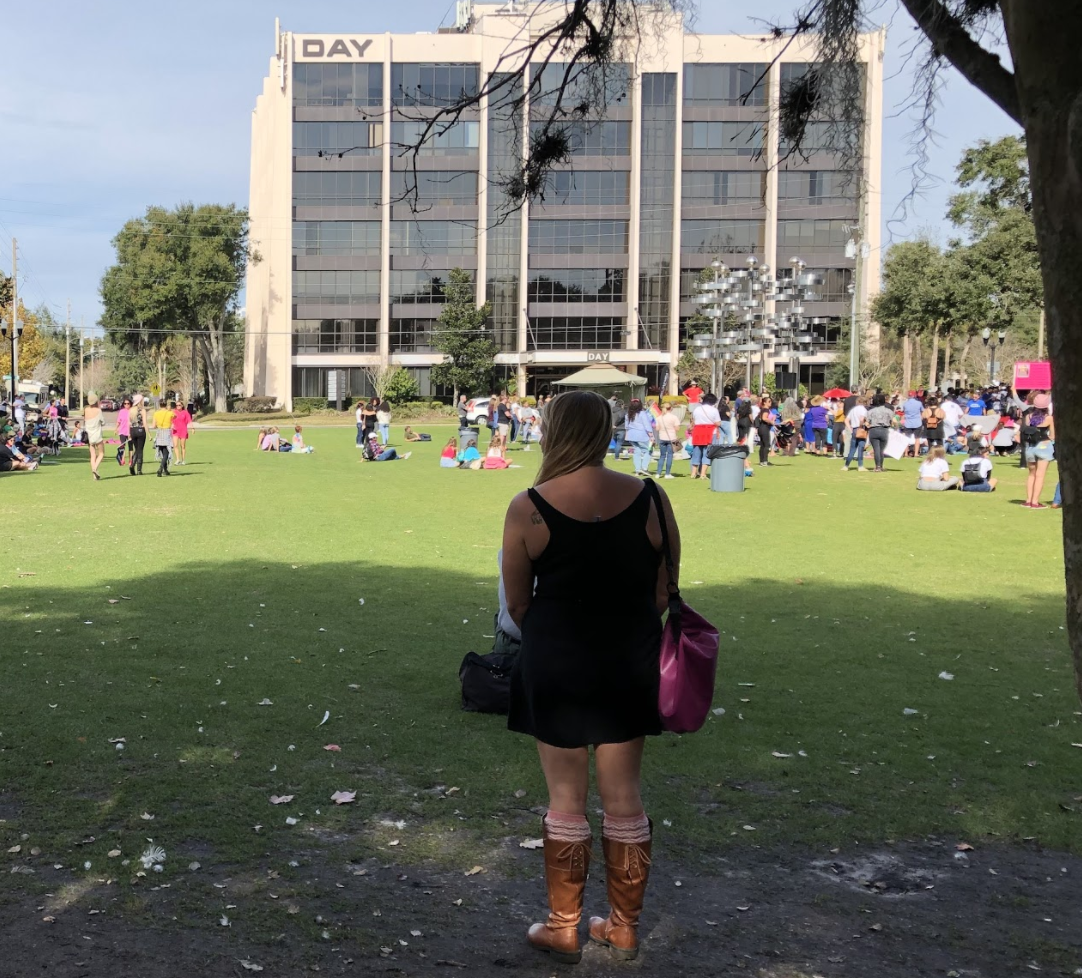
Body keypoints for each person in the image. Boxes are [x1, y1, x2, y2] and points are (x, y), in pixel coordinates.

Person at [502, 390, 680, 964]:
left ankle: (563, 927)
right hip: (629, 659)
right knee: (625, 796)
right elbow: (665, 590)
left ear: (553, 432)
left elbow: (517, 604)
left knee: (565, 798)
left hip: (556, 660)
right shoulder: (651, 497)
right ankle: (623, 927)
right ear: (605, 431)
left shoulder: (529, 505)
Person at [1021, 397, 1055, 509]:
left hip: (1030, 446)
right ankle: (1035, 502)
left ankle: (1028, 500)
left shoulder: (1028, 416)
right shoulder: (1049, 418)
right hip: (1043, 446)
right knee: (1040, 476)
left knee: (1031, 474)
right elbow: (1052, 435)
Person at [688, 394, 722, 480]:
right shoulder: (714, 410)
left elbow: (693, 420)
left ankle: (693, 473)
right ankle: (703, 474)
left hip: (698, 431)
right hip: (710, 432)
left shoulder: (697, 409)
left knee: (696, 452)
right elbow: (718, 423)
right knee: (707, 453)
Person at [623, 399, 655, 477]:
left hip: (631, 435)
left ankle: (637, 469)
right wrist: (651, 435)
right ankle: (644, 468)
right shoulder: (642, 414)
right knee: (649, 450)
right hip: (642, 435)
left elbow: (626, 426)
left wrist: (627, 435)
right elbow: (647, 425)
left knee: (637, 452)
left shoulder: (628, 414)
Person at [865, 393, 894, 473]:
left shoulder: (870, 411)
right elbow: (893, 421)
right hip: (884, 430)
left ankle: (877, 466)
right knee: (881, 450)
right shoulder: (888, 411)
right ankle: (880, 466)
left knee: (876, 449)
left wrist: (868, 425)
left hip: (874, 430)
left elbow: (867, 422)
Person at [842, 396, 869, 471]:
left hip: (854, 429)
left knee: (852, 448)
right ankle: (860, 466)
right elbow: (861, 419)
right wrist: (861, 425)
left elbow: (846, 420)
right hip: (860, 429)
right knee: (861, 448)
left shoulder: (853, 410)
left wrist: (850, 428)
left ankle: (846, 466)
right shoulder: (863, 409)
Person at [654, 401, 680, 479]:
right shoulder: (674, 417)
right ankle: (667, 473)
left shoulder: (659, 418)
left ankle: (658, 473)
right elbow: (677, 428)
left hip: (662, 438)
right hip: (671, 438)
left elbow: (657, 429)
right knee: (670, 456)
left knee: (662, 456)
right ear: (671, 408)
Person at [84, 391, 106, 481]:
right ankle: (95, 469)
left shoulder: (86, 410)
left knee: (93, 455)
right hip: (97, 435)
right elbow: (103, 422)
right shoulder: (98, 411)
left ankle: (94, 475)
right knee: (101, 453)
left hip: (89, 435)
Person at [152, 399, 175, 475]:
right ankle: (161, 468)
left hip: (159, 432)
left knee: (162, 452)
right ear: (166, 405)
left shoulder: (156, 413)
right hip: (167, 432)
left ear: (159, 405)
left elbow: (153, 426)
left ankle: (165, 470)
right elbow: (175, 417)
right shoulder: (170, 413)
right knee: (166, 453)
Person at [128, 394, 148, 475]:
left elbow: (129, 422)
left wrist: (129, 433)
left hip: (133, 430)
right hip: (140, 430)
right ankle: (139, 470)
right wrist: (149, 433)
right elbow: (145, 423)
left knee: (137, 449)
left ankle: (132, 465)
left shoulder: (131, 410)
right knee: (140, 450)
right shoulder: (142, 410)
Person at [901, 391, 925, 458]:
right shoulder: (919, 403)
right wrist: (921, 418)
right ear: (914, 396)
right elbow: (923, 411)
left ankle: (906, 453)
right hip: (917, 422)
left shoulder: (905, 404)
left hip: (908, 423)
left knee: (906, 439)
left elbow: (904, 412)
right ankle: (916, 453)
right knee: (917, 438)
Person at [756, 396, 777, 466]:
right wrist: (771, 421)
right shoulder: (765, 410)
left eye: (770, 401)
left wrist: (772, 419)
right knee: (766, 445)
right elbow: (764, 418)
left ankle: (762, 461)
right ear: (764, 403)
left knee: (763, 445)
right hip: (764, 428)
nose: (770, 403)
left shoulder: (763, 409)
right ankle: (765, 461)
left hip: (762, 428)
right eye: (769, 401)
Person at [171, 400, 192, 464]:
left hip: (183, 431)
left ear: (182, 405)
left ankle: (183, 460)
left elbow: (189, 421)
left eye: (179, 405)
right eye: (177, 405)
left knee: (182, 446)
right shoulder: (173, 412)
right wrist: (172, 425)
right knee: (175, 445)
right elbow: (170, 420)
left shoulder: (185, 412)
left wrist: (192, 428)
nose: (178, 406)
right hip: (175, 431)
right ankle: (178, 459)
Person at [116, 397, 132, 466]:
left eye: (128, 403)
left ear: (130, 404)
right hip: (122, 431)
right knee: (122, 446)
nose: (126, 405)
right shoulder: (121, 411)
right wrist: (116, 428)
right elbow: (118, 421)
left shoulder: (132, 411)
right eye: (125, 404)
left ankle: (130, 460)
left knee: (130, 446)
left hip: (130, 431)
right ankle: (122, 459)